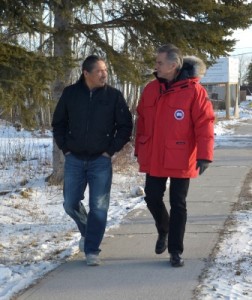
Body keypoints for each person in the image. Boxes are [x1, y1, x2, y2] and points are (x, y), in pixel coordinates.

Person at [135, 44, 214, 267]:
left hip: (181, 155)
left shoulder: (194, 90)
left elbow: (204, 123)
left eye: (159, 63)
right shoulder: (151, 89)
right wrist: (139, 148)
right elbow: (141, 120)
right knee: (151, 197)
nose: (156, 66)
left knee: (178, 203)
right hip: (154, 156)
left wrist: (205, 155)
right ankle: (164, 228)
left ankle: (175, 251)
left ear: (174, 65)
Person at [52, 55, 133, 266]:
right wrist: (66, 148)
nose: (104, 74)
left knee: (98, 206)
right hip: (74, 159)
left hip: (100, 161)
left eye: (105, 70)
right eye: (99, 70)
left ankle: (92, 250)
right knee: (70, 203)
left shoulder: (114, 96)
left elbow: (125, 126)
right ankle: (89, 230)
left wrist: (110, 150)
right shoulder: (70, 94)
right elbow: (58, 123)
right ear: (86, 73)